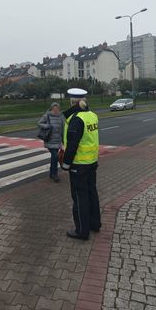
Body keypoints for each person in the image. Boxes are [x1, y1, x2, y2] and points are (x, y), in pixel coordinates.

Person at [61, 88, 101, 240]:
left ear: (72, 102)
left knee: (79, 197)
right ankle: (95, 224)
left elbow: (72, 144)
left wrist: (66, 164)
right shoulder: (93, 116)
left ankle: (82, 231)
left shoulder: (76, 119)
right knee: (92, 193)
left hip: (79, 164)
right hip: (92, 162)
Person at [38, 103, 64, 183]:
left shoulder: (61, 117)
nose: (56, 110)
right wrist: (47, 126)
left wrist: (63, 141)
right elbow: (39, 123)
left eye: (57, 108)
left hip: (58, 141)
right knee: (55, 156)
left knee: (54, 157)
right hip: (50, 140)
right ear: (51, 109)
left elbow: (63, 129)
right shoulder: (47, 115)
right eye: (54, 108)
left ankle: (51, 173)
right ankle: (54, 174)